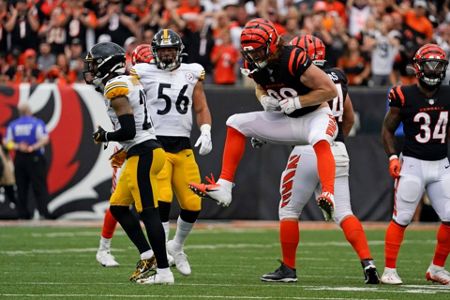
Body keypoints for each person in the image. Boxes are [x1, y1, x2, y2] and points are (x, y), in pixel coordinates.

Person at [189, 18, 338, 222]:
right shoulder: (253, 62)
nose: (253, 55)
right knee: (236, 122)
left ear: (272, 44)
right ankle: (224, 185)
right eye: (250, 51)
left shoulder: (292, 58)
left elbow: (329, 90)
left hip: (315, 117)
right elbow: (261, 86)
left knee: (320, 139)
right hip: (287, 120)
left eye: (258, 50)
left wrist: (299, 101)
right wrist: (264, 98)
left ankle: (328, 194)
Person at [260, 35, 379, 284]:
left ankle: (288, 269)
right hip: (336, 148)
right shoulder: (339, 77)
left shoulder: (297, 79)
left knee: (289, 209)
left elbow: (291, 117)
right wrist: (335, 136)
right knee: (345, 212)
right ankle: (368, 262)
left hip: (307, 147)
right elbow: (348, 115)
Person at [84, 41, 173, 285]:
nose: (90, 69)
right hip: (143, 151)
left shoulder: (116, 85)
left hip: (145, 152)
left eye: (93, 64)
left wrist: (106, 136)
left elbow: (128, 129)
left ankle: (164, 272)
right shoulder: (126, 81)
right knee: (118, 207)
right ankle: (147, 256)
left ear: (105, 64)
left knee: (148, 212)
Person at [131, 29, 212, 277]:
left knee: (193, 203)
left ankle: (176, 247)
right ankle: (161, 255)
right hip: (156, 145)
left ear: (179, 51)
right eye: (163, 50)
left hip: (183, 145)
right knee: (162, 199)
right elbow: (129, 99)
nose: (167, 54)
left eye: (171, 50)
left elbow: (201, 107)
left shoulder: (192, 72)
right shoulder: (142, 72)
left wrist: (206, 130)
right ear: (154, 52)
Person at [381, 43, 450, 285]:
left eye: (438, 65)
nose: (434, 70)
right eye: (429, 65)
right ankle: (389, 269)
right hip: (412, 164)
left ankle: (436, 268)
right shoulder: (404, 94)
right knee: (402, 218)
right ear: (418, 68)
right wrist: (392, 157)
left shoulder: (448, 94)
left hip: (441, 165)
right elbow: (387, 129)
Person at [3, 103, 52, 220]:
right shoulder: (36, 123)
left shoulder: (13, 125)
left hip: (19, 157)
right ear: (30, 111)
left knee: (21, 187)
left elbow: (6, 142)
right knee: (39, 186)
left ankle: (23, 213)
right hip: (34, 156)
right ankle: (44, 212)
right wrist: (33, 147)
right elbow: (45, 139)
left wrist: (17, 146)